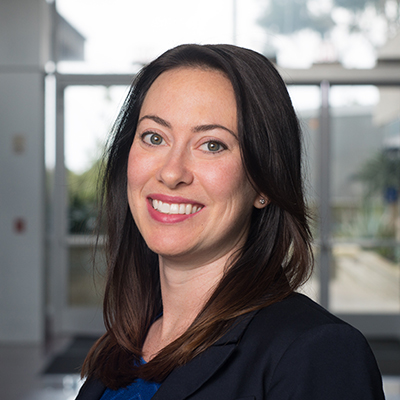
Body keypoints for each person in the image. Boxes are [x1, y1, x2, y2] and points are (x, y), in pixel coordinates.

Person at [75, 44, 385, 400]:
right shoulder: (124, 346)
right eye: (154, 137)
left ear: (263, 182)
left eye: (212, 145)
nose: (172, 172)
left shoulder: (317, 352)